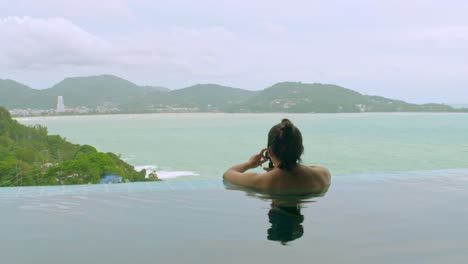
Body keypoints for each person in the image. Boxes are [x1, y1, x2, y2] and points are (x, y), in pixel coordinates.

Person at [223, 118, 331, 195]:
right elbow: (303, 169)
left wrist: (249, 164)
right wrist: (281, 166)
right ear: (300, 149)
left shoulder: (260, 181)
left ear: (269, 152)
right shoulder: (323, 174)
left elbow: (227, 174)